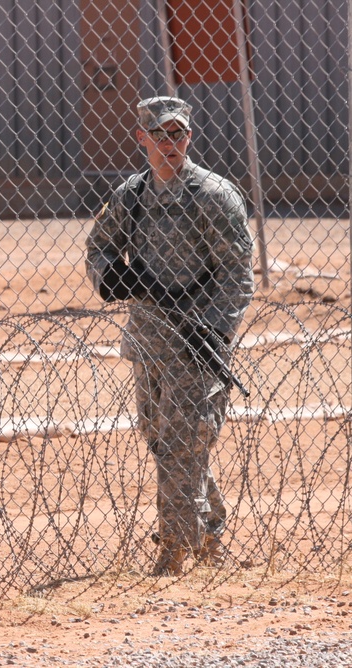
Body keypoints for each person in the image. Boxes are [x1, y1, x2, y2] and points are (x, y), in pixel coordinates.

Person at [85, 96, 255, 575]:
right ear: (141, 138)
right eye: (159, 135)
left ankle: (173, 550)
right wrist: (110, 278)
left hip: (195, 346)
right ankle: (211, 529)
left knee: (182, 444)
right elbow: (98, 247)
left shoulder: (214, 196)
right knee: (167, 445)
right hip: (147, 341)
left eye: (178, 134)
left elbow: (238, 274)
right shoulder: (131, 196)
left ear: (190, 138)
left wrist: (215, 329)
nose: (170, 144)